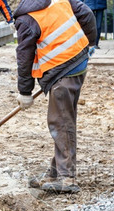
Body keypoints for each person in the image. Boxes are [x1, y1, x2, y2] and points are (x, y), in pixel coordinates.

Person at [14, 0, 96, 194]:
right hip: (78, 61)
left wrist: (25, 91)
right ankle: (55, 172)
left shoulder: (26, 19)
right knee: (63, 119)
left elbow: (24, 57)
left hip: (62, 68)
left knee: (60, 122)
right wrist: (88, 43)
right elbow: (87, 15)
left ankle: (67, 178)